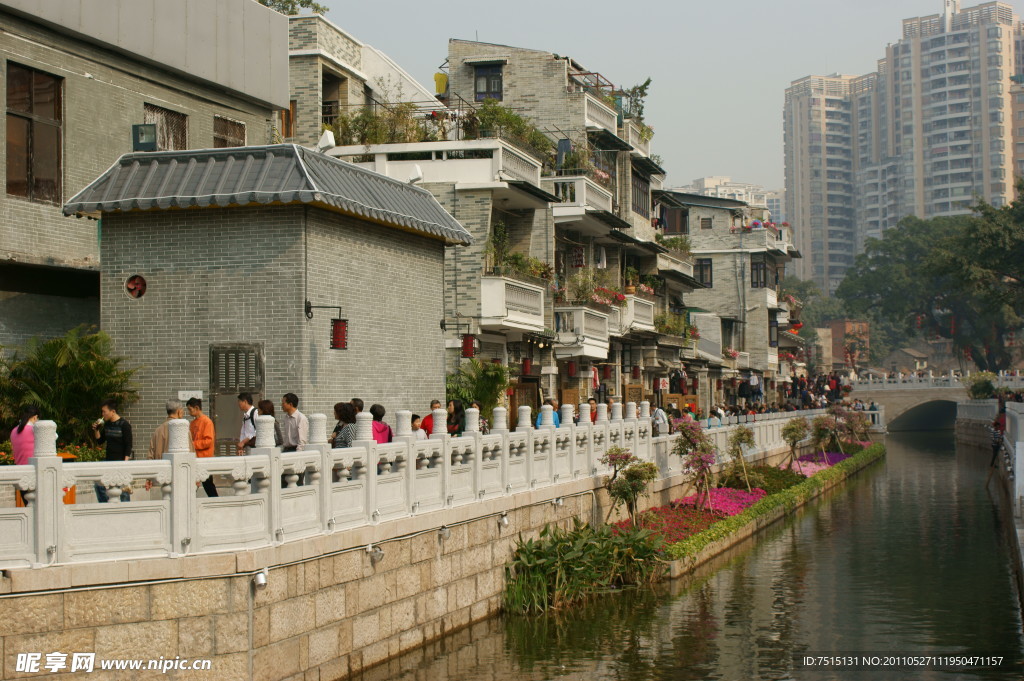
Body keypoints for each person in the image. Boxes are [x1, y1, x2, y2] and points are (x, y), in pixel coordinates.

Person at [92, 399, 132, 502]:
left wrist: (125, 463)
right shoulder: (107, 424)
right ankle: (105, 505)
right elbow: (100, 441)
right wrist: (96, 430)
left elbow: (128, 445)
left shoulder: (124, 425)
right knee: (99, 484)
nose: (103, 414)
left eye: (104, 411)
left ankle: (125, 510)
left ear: (113, 411)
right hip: (108, 460)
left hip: (120, 461)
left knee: (122, 490)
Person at [187, 397, 218, 498]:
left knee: (208, 484)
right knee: (193, 484)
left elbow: (208, 441)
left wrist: (192, 444)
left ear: (196, 408)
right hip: (195, 458)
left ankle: (215, 502)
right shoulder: (192, 423)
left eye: (190, 409)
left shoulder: (207, 422)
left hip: (205, 458)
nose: (189, 412)